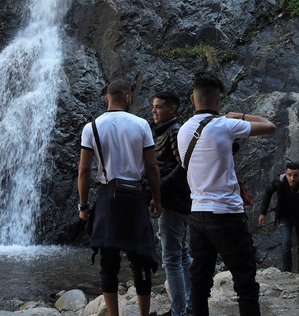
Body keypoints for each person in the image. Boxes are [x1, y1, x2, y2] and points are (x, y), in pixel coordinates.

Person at [177, 72, 276, 316]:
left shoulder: (182, 131)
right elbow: (269, 126)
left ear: (192, 99)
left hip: (197, 214)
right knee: (245, 283)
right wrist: (239, 116)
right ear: (219, 100)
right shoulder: (225, 124)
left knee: (200, 281)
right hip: (226, 214)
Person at [78, 80, 163, 316]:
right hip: (135, 195)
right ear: (128, 98)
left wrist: (83, 205)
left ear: (107, 99)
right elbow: (152, 165)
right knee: (141, 257)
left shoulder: (91, 127)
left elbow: (84, 170)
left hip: (107, 195)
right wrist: (157, 198)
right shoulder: (141, 125)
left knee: (108, 259)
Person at [152, 91, 192, 316]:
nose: (153, 111)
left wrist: (159, 187)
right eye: (153, 106)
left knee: (171, 258)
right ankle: (189, 304)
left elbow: (183, 166)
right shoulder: (165, 131)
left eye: (158, 107)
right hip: (175, 200)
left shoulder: (174, 132)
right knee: (182, 253)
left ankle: (179, 311)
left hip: (175, 202)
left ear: (173, 109)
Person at [258, 162, 299, 274]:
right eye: (289, 175)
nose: (292, 178)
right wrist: (263, 213)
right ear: (285, 174)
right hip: (285, 216)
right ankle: (287, 273)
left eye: (295, 175)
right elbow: (268, 193)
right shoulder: (279, 182)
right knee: (286, 242)